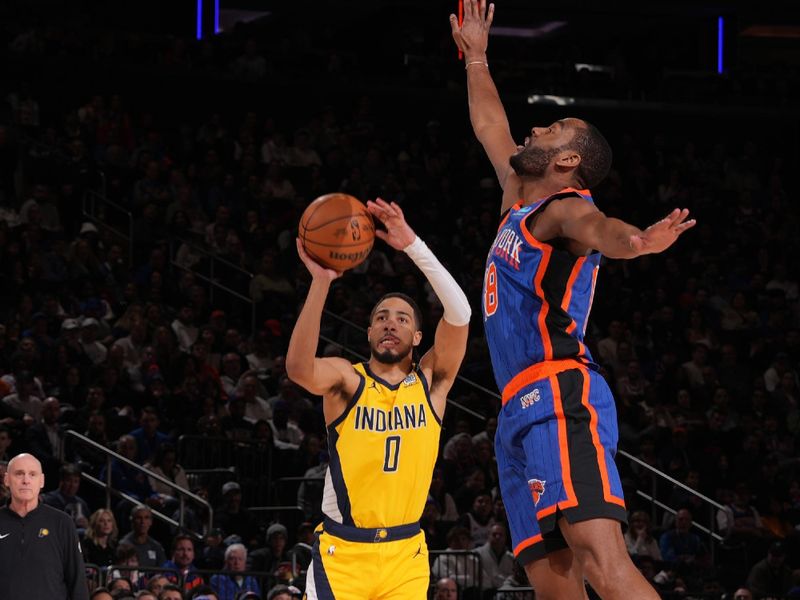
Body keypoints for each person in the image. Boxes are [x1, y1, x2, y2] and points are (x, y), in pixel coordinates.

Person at [450, 2, 696, 598]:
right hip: (516, 409)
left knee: (602, 564)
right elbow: (489, 125)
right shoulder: (519, 199)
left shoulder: (567, 208)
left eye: (552, 130)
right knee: (553, 586)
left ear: (567, 161)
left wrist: (635, 243)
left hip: (559, 393)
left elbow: (602, 230)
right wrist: (476, 55)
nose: (535, 130)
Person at [286, 197, 471, 598]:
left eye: (402, 319)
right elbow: (299, 370)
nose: (391, 323)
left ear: (418, 338)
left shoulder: (432, 384)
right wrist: (321, 283)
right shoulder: (346, 381)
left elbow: (460, 313)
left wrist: (413, 246)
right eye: (381, 318)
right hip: (343, 554)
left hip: (405, 554)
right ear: (369, 333)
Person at [0, 453, 89, 599]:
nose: (26, 481)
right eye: (19, 474)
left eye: (32, 474)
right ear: (6, 480)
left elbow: (77, 581)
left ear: (41, 481)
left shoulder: (62, 523)